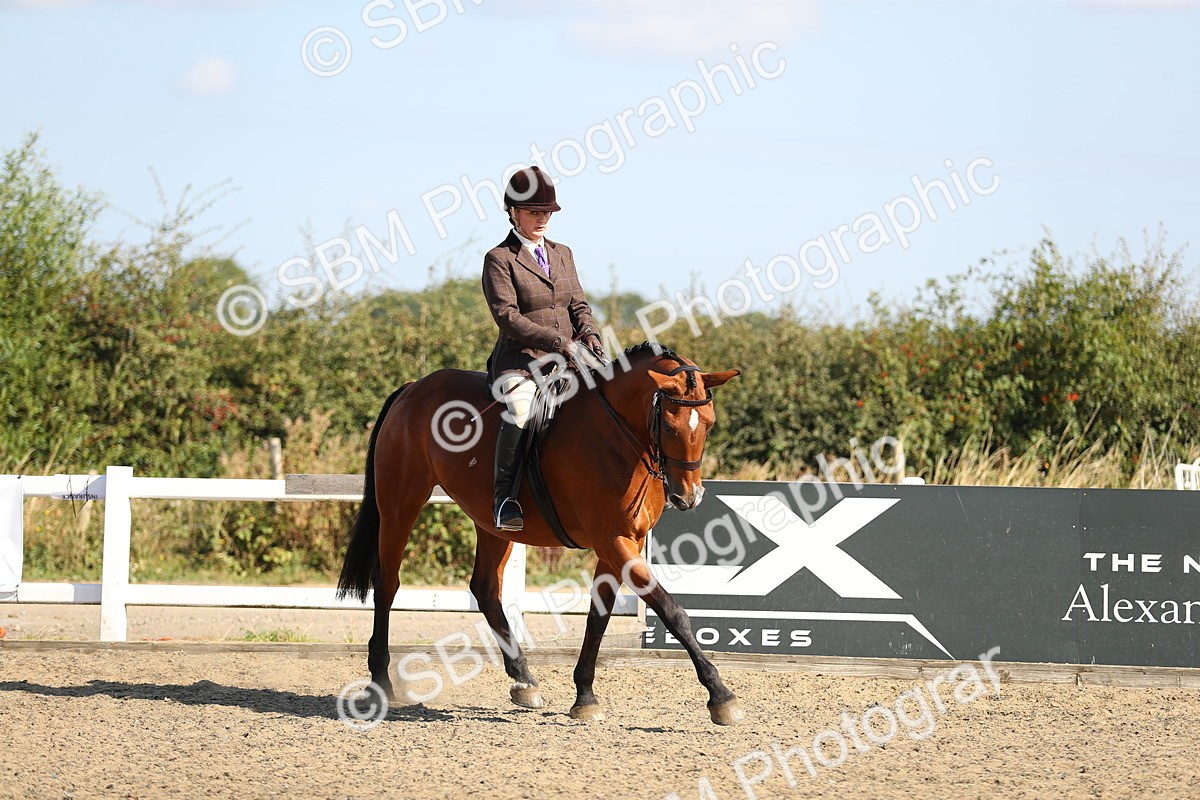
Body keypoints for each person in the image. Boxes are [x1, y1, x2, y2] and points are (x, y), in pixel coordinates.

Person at [481, 166, 606, 531]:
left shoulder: (563, 253)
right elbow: (507, 316)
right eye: (534, 212)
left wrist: (591, 336)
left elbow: (579, 305)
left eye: (546, 212)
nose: (542, 219)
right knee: (521, 408)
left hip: (572, 357)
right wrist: (557, 342)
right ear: (513, 213)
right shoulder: (499, 259)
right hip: (522, 364)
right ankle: (504, 497)